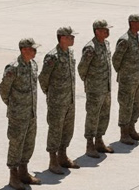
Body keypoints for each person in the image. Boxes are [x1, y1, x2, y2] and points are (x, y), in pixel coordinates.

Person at [0, 38, 41, 188]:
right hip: (18, 115)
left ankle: (24, 172)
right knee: (16, 144)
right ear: (24, 50)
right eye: (32, 49)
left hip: (31, 113)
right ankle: (13, 176)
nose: (35, 51)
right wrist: (14, 106)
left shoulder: (33, 65)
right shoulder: (13, 68)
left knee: (29, 143)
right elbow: (3, 90)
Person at [38, 27, 78, 174]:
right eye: (70, 37)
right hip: (57, 101)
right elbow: (43, 78)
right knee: (55, 129)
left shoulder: (69, 53)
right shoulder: (52, 57)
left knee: (67, 129)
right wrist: (51, 94)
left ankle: (63, 156)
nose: (73, 39)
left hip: (70, 99)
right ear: (62, 38)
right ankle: (53, 160)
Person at [77, 20, 112, 158]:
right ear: (97, 31)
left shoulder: (106, 44)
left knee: (104, 114)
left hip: (106, 87)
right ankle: (89, 144)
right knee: (93, 115)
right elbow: (82, 68)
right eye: (104, 30)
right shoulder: (90, 48)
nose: (107, 32)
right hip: (95, 89)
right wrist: (90, 83)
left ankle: (99, 141)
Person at [111, 13, 139, 146]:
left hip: (138, 79)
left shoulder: (138, 37)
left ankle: (132, 129)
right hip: (127, 80)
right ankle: (124, 133)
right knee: (126, 106)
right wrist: (125, 75)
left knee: (136, 105)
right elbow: (116, 60)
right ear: (132, 23)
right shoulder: (125, 40)